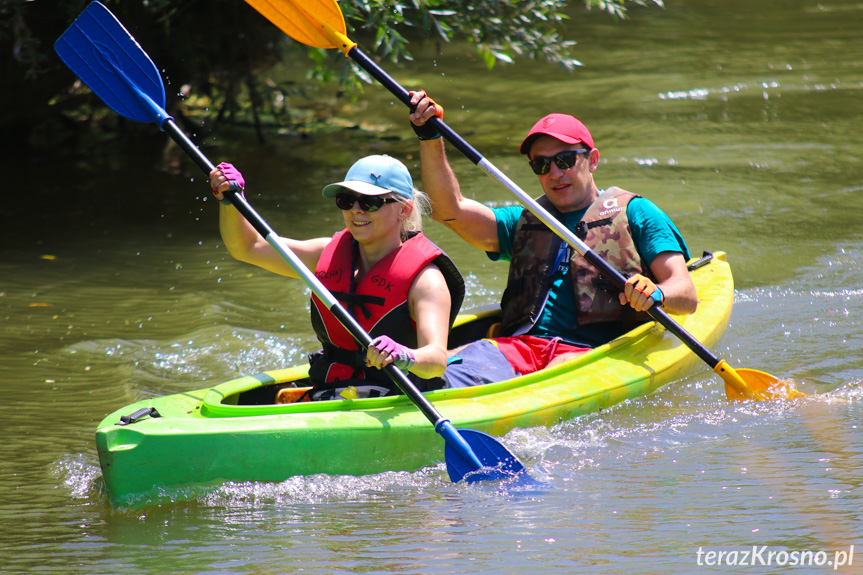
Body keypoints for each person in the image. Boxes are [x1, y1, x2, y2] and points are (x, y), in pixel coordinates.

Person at [407, 91, 698, 376]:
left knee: (555, 372)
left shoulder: (637, 213)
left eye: (566, 160)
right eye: (542, 164)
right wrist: (430, 136)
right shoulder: (523, 220)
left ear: (592, 159)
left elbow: (685, 294)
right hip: (519, 348)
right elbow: (448, 211)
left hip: (595, 354)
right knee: (439, 372)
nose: (555, 173)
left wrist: (655, 293)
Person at [208, 154, 465, 400]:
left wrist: (402, 354)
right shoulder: (324, 254)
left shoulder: (427, 280)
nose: (355, 210)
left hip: (400, 393)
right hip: (332, 385)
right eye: (346, 200)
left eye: (369, 202)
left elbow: (436, 361)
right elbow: (247, 247)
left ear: (404, 210)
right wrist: (231, 202)